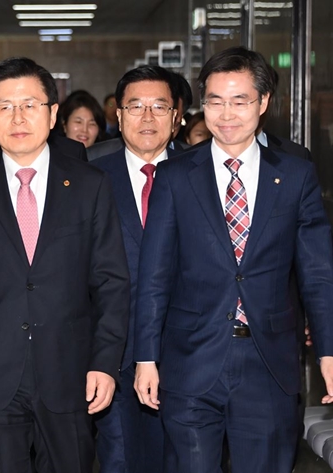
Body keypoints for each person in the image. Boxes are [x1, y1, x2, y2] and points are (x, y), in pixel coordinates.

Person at [133, 46, 333, 473]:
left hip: (269, 363)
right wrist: (145, 357)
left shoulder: (295, 175)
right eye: (215, 101)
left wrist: (328, 353)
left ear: (263, 103)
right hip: (189, 360)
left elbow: (318, 273)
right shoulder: (175, 177)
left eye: (239, 100)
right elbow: (155, 275)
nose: (226, 114)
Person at [0, 57, 130, 473]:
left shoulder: (90, 186)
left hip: (71, 374)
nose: (17, 117)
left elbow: (111, 282)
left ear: (53, 114)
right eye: (4, 107)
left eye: (30, 105)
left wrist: (105, 363)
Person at [91, 65, 180, 473]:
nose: (147, 117)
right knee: (118, 460)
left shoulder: (204, 174)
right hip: (112, 351)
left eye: (159, 107)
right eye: (136, 106)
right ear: (118, 114)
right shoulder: (88, 178)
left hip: (191, 352)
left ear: (177, 115)